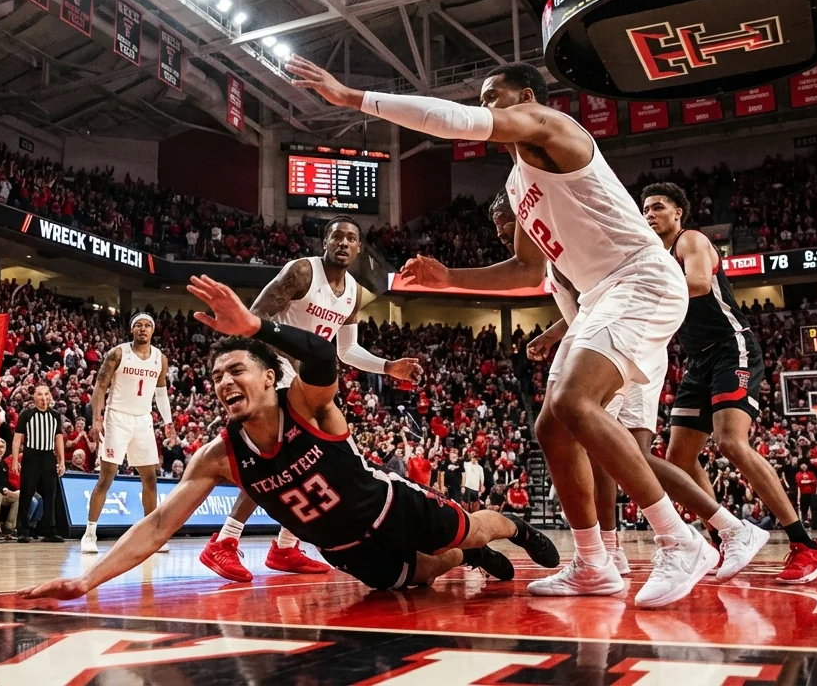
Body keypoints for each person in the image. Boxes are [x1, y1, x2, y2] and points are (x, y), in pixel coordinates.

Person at [293, 56, 718, 607]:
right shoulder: (518, 182)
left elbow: (455, 122)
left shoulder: (553, 128)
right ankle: (593, 563)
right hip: (600, 295)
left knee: (575, 402)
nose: (486, 107)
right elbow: (524, 269)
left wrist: (355, 98)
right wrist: (450, 278)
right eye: (484, 98)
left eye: (496, 96)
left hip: (640, 277)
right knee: (552, 427)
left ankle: (679, 541)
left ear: (527, 98)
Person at [18, 275, 559, 602]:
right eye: (217, 378)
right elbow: (159, 524)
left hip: (390, 507)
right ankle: (471, 559)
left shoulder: (303, 403)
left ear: (267, 375)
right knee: (426, 575)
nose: (226, 382)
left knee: (464, 530)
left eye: (237, 370)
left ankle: (516, 528)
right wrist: (86, 582)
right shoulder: (218, 456)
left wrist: (253, 327)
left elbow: (324, 356)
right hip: (344, 548)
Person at [499, 193, 761, 583]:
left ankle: (728, 527)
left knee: (625, 452)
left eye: (509, 225)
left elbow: (610, 299)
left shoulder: (566, 242)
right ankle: (611, 549)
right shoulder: (555, 256)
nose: (506, 234)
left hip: (630, 342)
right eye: (501, 232)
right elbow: (588, 307)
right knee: (599, 449)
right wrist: (553, 334)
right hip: (608, 336)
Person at [199, 217, 423, 582]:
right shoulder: (303, 272)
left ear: (359, 248)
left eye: (352, 237)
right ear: (325, 242)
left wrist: (388, 367)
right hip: (278, 369)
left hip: (308, 378)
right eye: (337, 235)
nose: (344, 242)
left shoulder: (352, 292)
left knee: (323, 459)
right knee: (290, 458)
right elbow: (254, 317)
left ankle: (286, 546)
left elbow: (346, 349)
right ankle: (225, 541)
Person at [642, 182, 817, 583]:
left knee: (731, 442)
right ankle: (725, 536)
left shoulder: (689, 240)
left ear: (678, 213)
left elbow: (694, 284)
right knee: (677, 460)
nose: (649, 213)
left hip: (732, 347)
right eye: (645, 208)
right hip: (697, 361)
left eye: (658, 206)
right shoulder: (652, 256)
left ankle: (807, 546)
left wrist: (644, 289)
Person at [82, 314, 172, 554]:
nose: (143, 329)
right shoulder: (118, 353)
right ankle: (89, 533)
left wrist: (169, 421)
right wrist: (96, 419)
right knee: (107, 477)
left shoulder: (160, 359)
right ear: (132, 330)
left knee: (150, 479)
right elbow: (100, 386)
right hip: (117, 417)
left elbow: (161, 392)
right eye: (139, 325)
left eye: (148, 326)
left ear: (153, 331)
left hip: (143, 419)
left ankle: (151, 535)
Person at [11, 384, 65, 543]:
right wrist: (15, 460)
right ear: (34, 397)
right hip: (31, 456)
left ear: (50, 396)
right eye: (40, 394)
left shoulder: (55, 415)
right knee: (27, 493)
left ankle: (49, 530)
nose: (43, 398)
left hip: (49, 456)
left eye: (46, 394)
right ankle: (22, 529)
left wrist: (61, 461)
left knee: (50, 494)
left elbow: (58, 438)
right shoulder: (26, 414)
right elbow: (17, 439)